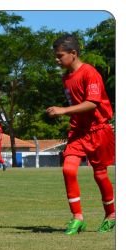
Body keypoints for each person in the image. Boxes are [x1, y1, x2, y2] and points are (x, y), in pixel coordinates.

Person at [46, 34, 115, 234]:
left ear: (73, 54)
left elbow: (93, 103)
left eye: (60, 56)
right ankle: (77, 217)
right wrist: (63, 112)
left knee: (100, 174)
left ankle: (111, 214)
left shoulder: (90, 73)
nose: (56, 60)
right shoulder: (66, 78)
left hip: (98, 130)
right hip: (78, 131)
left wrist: (63, 110)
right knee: (68, 169)